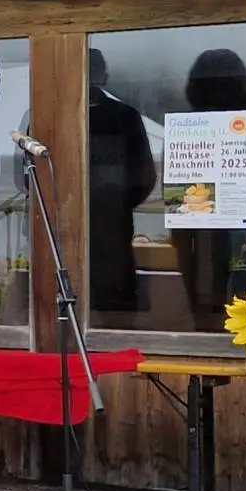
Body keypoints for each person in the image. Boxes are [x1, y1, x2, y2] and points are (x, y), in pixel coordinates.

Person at [173, 49, 246, 331]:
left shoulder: (185, 129)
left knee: (203, 312)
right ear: (242, 82)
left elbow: (176, 190)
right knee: (245, 318)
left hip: (194, 229)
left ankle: (202, 360)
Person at [85, 49, 158, 320]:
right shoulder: (125, 115)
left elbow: (26, 177)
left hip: (75, 226)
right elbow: (145, 176)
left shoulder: (47, 115)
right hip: (113, 224)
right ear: (105, 76)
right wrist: (118, 203)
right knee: (115, 305)